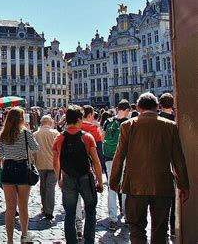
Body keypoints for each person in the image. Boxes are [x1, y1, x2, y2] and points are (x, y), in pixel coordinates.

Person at [110, 92, 189, 244]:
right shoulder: (170, 126)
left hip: (135, 185)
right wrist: (183, 184)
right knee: (160, 229)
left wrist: (114, 182)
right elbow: (178, 159)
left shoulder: (128, 125)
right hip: (162, 184)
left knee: (137, 227)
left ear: (138, 107)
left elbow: (119, 156)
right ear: (157, 107)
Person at [52, 105, 104, 244]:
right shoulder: (87, 137)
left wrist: (59, 179)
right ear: (79, 119)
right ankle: (89, 241)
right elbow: (96, 162)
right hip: (86, 177)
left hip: (68, 178)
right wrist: (100, 181)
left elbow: (55, 162)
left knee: (69, 214)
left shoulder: (59, 138)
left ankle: (72, 242)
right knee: (90, 211)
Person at [0, 107, 39, 244]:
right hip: (22, 167)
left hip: (8, 168)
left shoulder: (3, 134)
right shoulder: (25, 133)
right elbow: (36, 148)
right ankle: (25, 235)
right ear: (21, 119)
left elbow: (0, 155)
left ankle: (10, 240)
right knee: (23, 206)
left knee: (10, 208)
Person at [102, 99, 130, 231]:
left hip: (109, 157)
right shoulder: (129, 123)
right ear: (127, 110)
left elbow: (103, 137)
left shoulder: (108, 121)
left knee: (112, 188)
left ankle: (113, 219)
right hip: (124, 157)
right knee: (125, 186)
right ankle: (127, 216)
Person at [32, 115, 60, 220]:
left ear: (42, 122)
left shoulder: (35, 134)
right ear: (50, 122)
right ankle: (49, 210)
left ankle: (44, 207)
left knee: (43, 186)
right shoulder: (55, 133)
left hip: (40, 164)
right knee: (50, 188)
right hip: (53, 164)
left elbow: (32, 150)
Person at [158, 92, 176, 236]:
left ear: (160, 105)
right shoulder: (176, 120)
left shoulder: (156, 120)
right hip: (173, 162)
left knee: (160, 200)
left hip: (159, 163)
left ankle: (162, 228)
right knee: (174, 197)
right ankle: (173, 226)